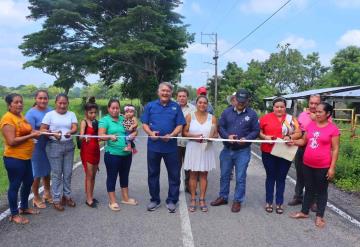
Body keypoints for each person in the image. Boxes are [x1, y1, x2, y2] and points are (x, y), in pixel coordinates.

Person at [289, 102, 340, 228]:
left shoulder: (333, 129)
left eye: (320, 112)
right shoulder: (311, 125)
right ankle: (304, 212)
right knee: (309, 189)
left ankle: (319, 216)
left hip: (323, 166)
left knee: (321, 191)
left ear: (328, 114)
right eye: (316, 111)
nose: (316, 114)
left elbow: (335, 149)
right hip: (307, 163)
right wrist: (293, 141)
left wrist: (332, 167)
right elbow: (304, 141)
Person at [211, 89, 260, 213]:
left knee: (240, 177)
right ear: (235, 99)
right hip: (227, 149)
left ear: (248, 100)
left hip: (242, 151)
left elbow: (256, 131)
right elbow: (220, 127)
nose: (241, 103)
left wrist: (247, 139)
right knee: (224, 175)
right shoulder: (227, 112)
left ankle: (237, 200)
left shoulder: (252, 114)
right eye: (239, 100)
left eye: (244, 101)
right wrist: (227, 136)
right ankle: (223, 197)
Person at [141, 82, 186, 213]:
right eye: (163, 90)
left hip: (171, 148)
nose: (165, 93)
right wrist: (150, 133)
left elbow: (180, 125)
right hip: (154, 147)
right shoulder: (150, 106)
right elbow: (144, 123)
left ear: (171, 93)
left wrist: (172, 135)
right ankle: (154, 199)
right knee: (153, 174)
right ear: (158, 92)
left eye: (168, 91)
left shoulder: (176, 107)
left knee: (174, 174)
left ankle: (172, 200)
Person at [1, 93, 41, 224]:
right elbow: (11, 141)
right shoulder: (8, 119)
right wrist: (31, 136)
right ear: (9, 104)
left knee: (29, 181)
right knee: (15, 185)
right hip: (14, 158)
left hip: (26, 157)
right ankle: (14, 214)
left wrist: (34, 133)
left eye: (21, 102)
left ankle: (23, 207)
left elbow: (25, 131)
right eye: (16, 102)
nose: (19, 104)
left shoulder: (20, 116)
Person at [259, 97, 302, 214]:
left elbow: (299, 132)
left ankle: (279, 203)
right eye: (277, 106)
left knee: (281, 177)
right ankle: (268, 201)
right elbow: (258, 131)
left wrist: (290, 137)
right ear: (273, 107)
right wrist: (265, 137)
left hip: (285, 151)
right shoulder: (265, 118)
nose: (279, 109)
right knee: (270, 176)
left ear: (285, 107)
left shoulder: (291, 119)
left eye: (282, 107)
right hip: (268, 152)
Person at [99, 99, 138, 211]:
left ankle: (125, 198)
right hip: (112, 154)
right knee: (112, 176)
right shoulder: (104, 120)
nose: (115, 110)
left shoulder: (124, 118)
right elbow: (100, 135)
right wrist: (109, 136)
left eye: (117, 108)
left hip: (127, 153)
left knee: (125, 175)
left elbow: (134, 130)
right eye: (113, 108)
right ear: (108, 109)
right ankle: (112, 201)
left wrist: (134, 134)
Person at [40, 93, 78, 211]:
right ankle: (56, 199)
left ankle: (66, 196)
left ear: (68, 103)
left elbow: (75, 127)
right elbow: (42, 130)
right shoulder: (49, 115)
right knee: (57, 174)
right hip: (54, 146)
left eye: (64, 103)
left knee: (68, 173)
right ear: (56, 103)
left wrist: (70, 132)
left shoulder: (71, 114)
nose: (62, 105)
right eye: (60, 103)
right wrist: (53, 134)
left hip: (69, 145)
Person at [183, 95, 218, 212]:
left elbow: (216, 134)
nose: (202, 105)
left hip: (206, 148)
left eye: (204, 103)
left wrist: (210, 138)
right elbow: (184, 133)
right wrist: (195, 137)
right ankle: (193, 198)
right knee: (192, 175)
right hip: (193, 147)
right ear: (196, 104)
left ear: (207, 105)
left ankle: (202, 199)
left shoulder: (212, 118)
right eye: (200, 103)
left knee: (204, 175)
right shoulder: (189, 116)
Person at [288, 94, 324, 207]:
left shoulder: (325, 116)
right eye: (311, 103)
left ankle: (313, 201)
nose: (313, 106)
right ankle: (298, 196)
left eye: (316, 103)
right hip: (302, 146)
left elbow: (328, 131)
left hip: (316, 148)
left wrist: (316, 120)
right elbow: (297, 131)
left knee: (314, 175)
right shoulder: (303, 115)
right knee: (300, 173)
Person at [25, 90, 52, 209]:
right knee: (37, 173)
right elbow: (29, 132)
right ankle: (36, 197)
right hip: (36, 146)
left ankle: (47, 193)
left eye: (45, 98)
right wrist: (42, 131)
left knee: (47, 171)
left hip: (49, 144)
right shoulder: (30, 113)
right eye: (40, 98)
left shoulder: (50, 110)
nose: (43, 101)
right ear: (35, 99)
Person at [79, 97, 100, 208]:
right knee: (89, 175)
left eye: (94, 113)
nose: (93, 115)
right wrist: (85, 136)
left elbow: (99, 136)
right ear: (86, 112)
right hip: (87, 151)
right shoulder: (84, 122)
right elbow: (80, 136)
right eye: (91, 113)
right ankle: (88, 199)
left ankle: (91, 195)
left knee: (94, 176)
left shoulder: (96, 122)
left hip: (96, 150)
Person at [176, 88, 195, 193]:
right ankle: (175, 186)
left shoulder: (193, 109)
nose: (182, 98)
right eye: (180, 96)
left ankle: (189, 186)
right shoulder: (172, 107)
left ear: (187, 97)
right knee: (176, 166)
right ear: (177, 97)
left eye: (184, 96)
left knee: (189, 165)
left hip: (189, 142)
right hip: (175, 142)